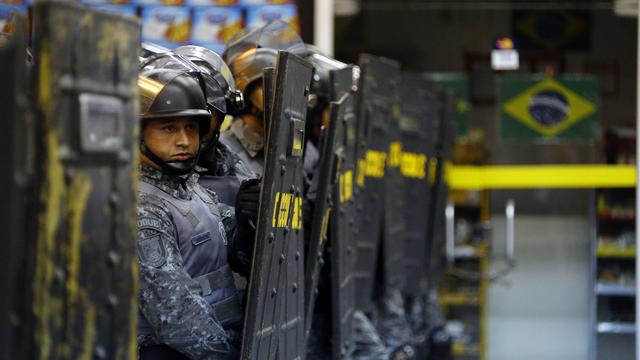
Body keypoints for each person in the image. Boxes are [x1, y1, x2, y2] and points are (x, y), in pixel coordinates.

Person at [135, 59, 258, 359]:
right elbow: (175, 313)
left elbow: (239, 256)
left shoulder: (189, 188)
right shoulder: (140, 209)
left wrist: (247, 224)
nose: (184, 140)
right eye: (168, 127)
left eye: (191, 127)